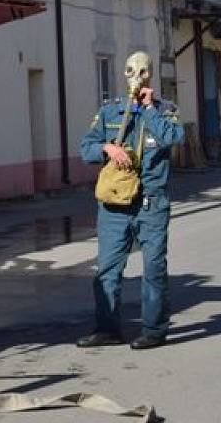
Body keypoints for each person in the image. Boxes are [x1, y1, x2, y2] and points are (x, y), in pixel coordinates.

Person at [77, 51, 184, 350]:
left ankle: (153, 330)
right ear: (124, 74)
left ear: (150, 75)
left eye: (142, 71)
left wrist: (148, 109)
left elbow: (173, 138)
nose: (136, 76)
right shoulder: (110, 111)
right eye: (130, 71)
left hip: (151, 201)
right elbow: (85, 148)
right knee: (108, 269)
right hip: (114, 205)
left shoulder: (165, 110)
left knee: (153, 269)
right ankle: (107, 329)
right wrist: (107, 149)